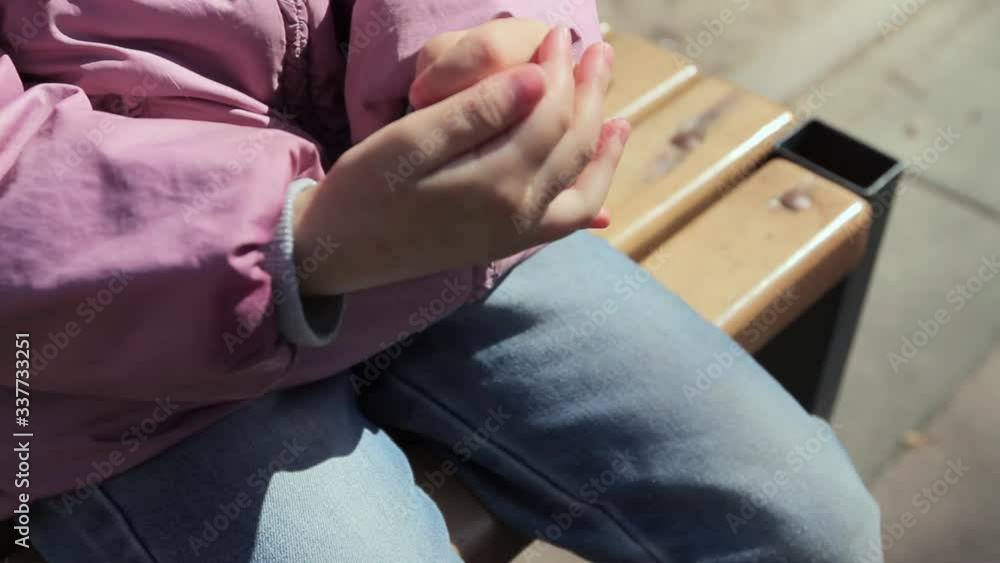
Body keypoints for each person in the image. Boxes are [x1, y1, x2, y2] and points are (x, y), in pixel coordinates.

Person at [0, 1, 882, 561]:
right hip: (107, 360)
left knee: (806, 517)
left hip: (449, 224)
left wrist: (488, 39)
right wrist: (306, 238)